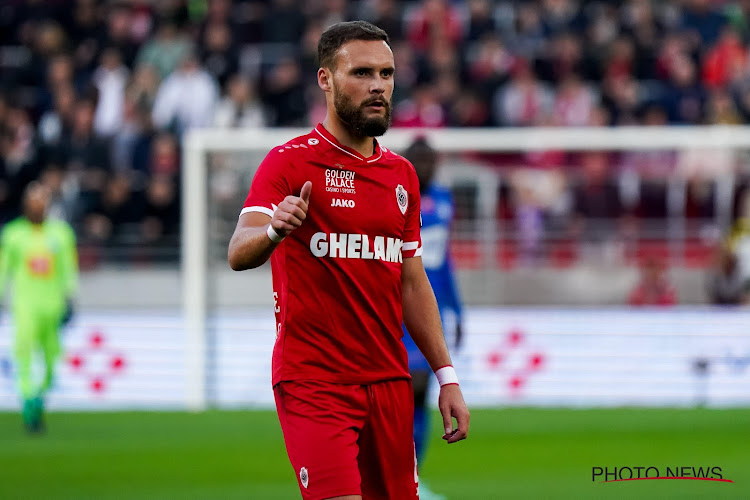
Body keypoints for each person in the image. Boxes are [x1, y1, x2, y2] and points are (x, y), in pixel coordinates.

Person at [227, 21, 470, 500]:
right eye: (362, 72)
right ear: (326, 79)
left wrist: (447, 376)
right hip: (314, 381)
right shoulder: (289, 163)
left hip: (388, 382)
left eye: (386, 73)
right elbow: (239, 249)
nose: (378, 85)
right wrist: (275, 229)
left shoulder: (402, 176)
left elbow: (412, 282)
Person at [401, 137, 463, 500]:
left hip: (433, 308)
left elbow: (446, 260)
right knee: (410, 390)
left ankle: (413, 477)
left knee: (420, 392)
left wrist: (457, 309)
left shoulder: (444, 200)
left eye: (430, 162)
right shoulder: (397, 196)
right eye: (419, 161)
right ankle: (404, 476)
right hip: (400, 308)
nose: (426, 168)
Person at [0, 183, 78, 432]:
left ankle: (38, 396)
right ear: (26, 204)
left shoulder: (61, 234)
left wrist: (70, 298)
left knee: (52, 359)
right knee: (23, 354)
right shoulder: (13, 234)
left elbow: (68, 269)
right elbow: (4, 269)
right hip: (25, 305)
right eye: (33, 201)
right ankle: (28, 401)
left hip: (52, 305)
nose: (37, 205)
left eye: (42, 201)